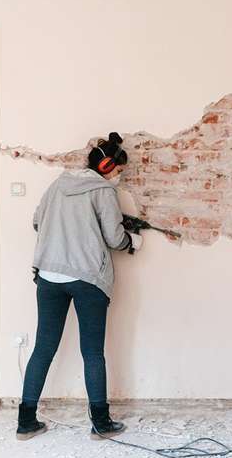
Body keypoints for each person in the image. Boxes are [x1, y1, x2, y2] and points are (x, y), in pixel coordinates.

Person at [16, 132, 142, 441]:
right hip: (87, 279)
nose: (118, 177)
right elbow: (114, 238)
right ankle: (101, 424)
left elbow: (37, 221)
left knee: (43, 348)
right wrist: (132, 241)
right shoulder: (104, 191)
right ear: (107, 167)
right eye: (118, 171)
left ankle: (26, 422)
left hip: (49, 276)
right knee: (92, 352)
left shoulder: (58, 184)